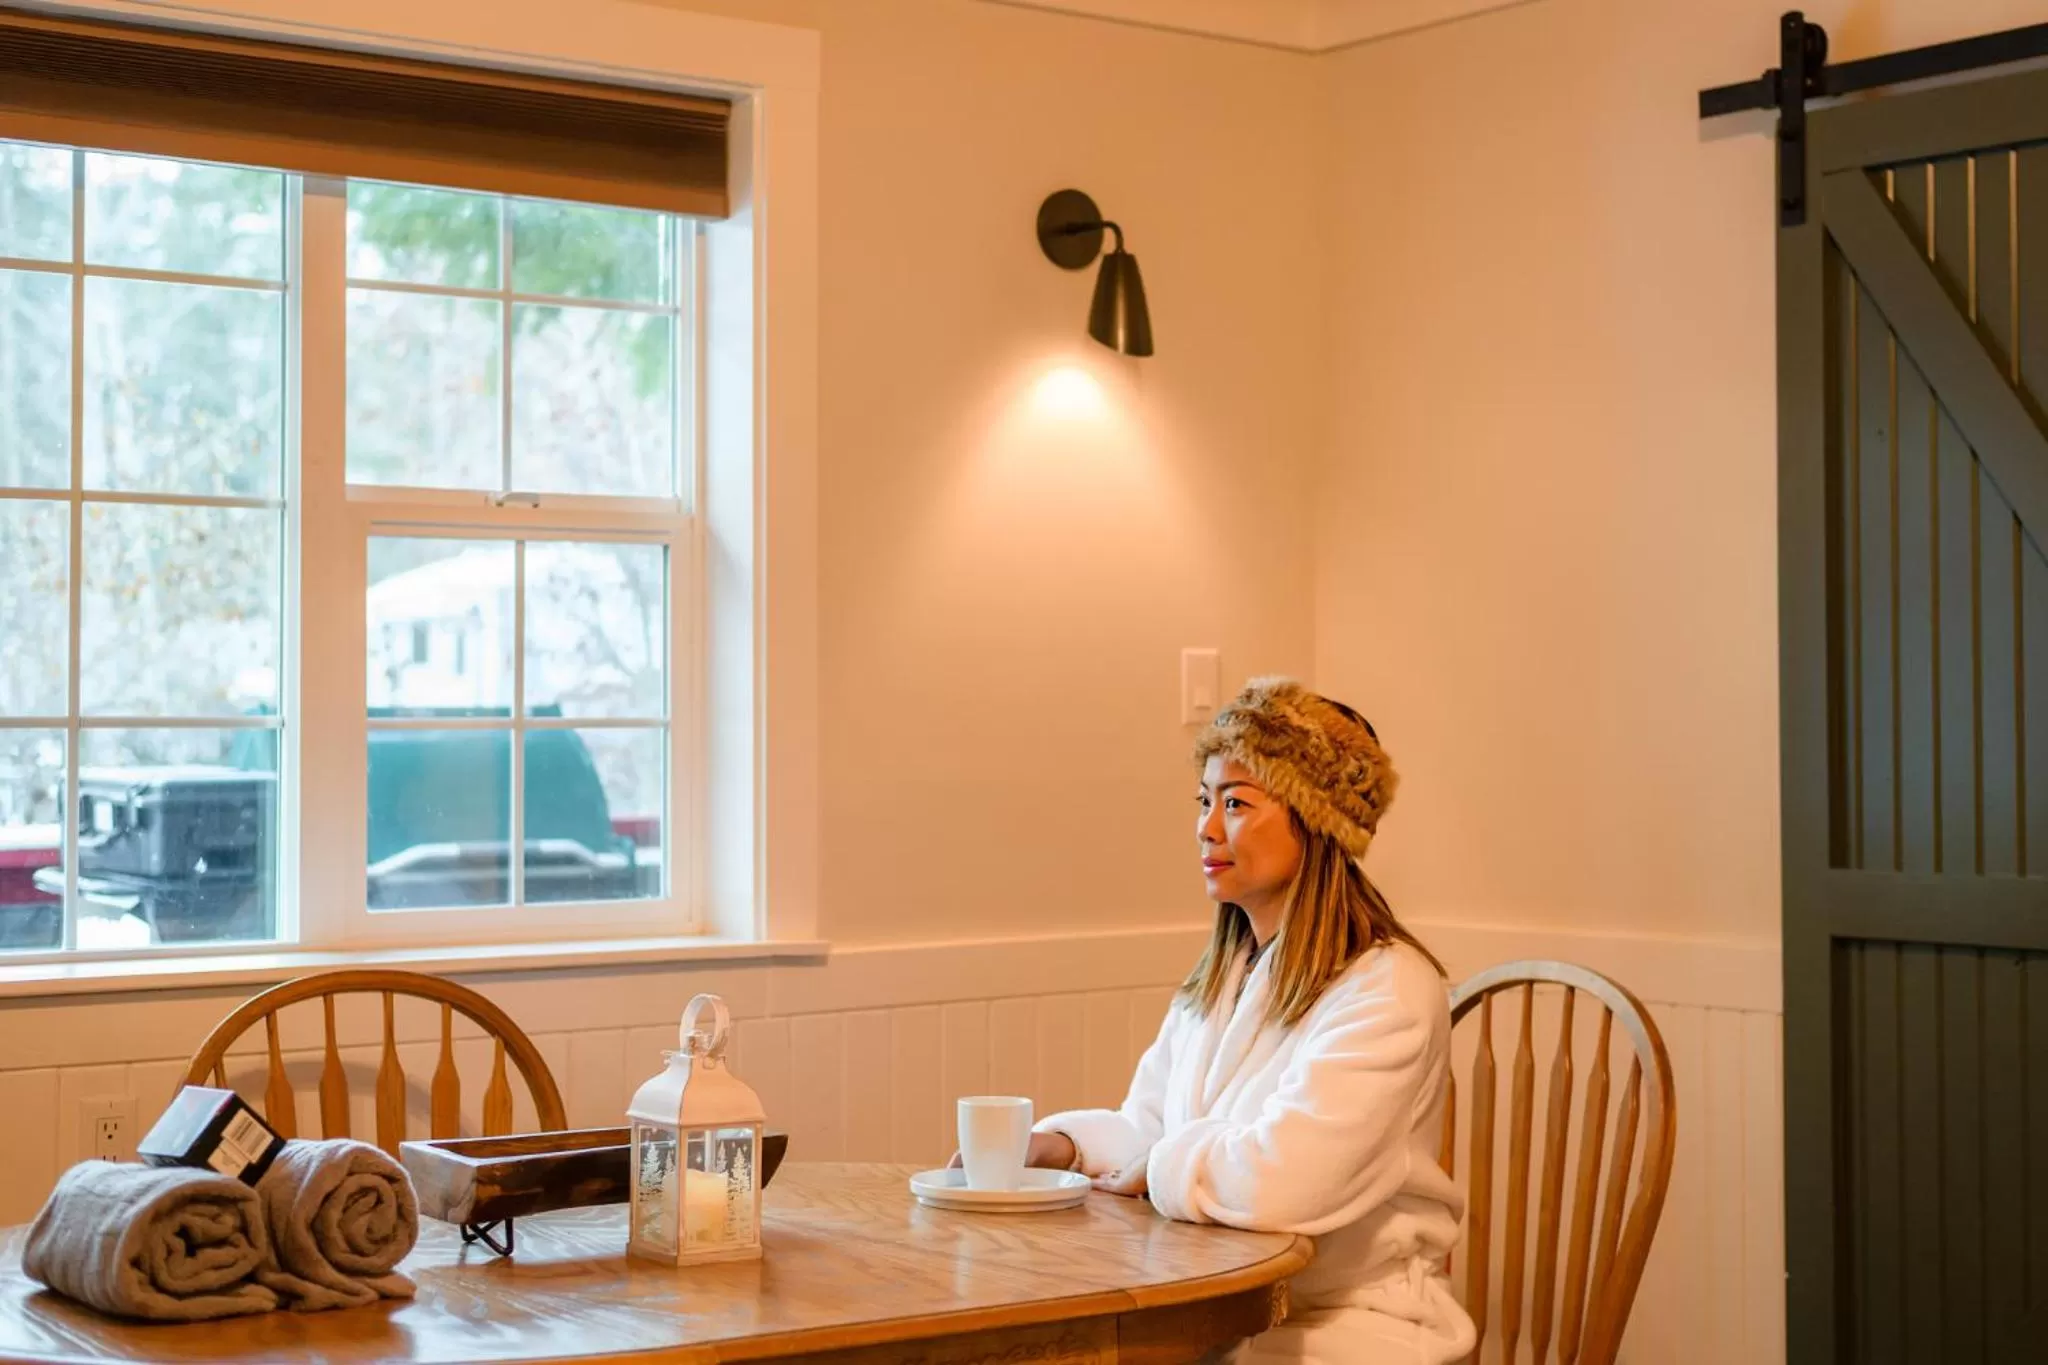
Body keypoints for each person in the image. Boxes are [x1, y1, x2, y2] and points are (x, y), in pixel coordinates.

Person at [1030, 678, 1474, 1363]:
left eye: (1237, 803)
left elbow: (1283, 1181)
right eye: (1205, 800)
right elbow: (1153, 1134)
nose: (1207, 827)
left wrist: (1156, 1165)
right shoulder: (1224, 973)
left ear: (1315, 819)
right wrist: (1058, 1147)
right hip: (1217, 1312)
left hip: (1349, 1326)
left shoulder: (1389, 990)